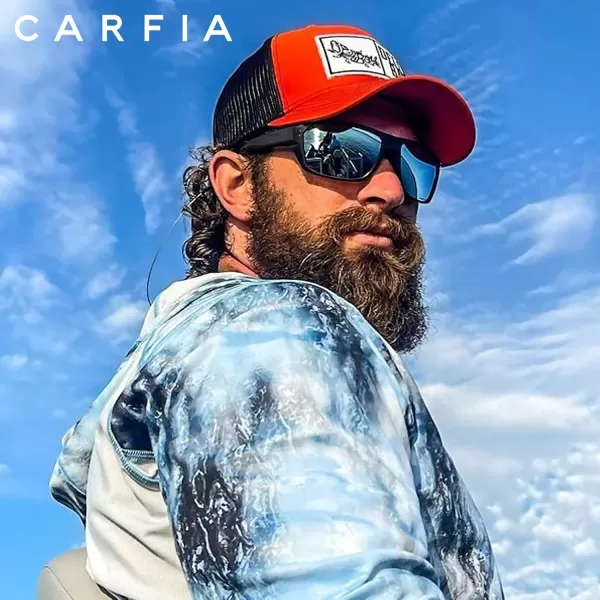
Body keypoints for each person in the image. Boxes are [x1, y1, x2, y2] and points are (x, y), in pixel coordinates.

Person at [49, 24, 505, 600]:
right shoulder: (274, 327)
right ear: (238, 184)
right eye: (342, 151)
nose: (391, 190)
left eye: (410, 164)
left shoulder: (193, 354)